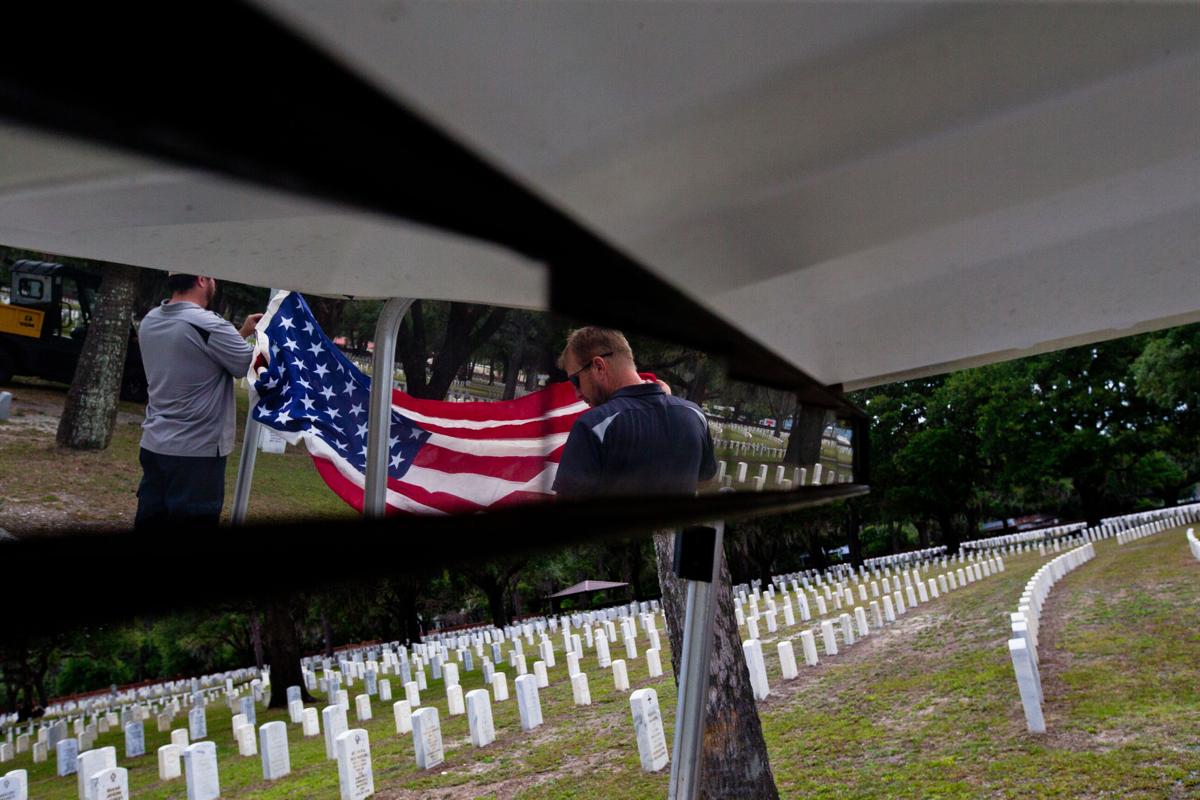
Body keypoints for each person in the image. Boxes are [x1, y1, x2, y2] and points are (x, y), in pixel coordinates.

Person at [134, 274, 262, 528]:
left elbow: (201, 357)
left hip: (155, 443)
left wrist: (242, 332)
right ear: (202, 280)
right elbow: (245, 365)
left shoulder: (151, 319)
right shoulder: (209, 324)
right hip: (196, 451)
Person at [552, 326, 716, 497]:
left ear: (599, 367)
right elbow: (705, 479)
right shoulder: (694, 415)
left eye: (575, 380)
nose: (577, 393)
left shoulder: (593, 426)